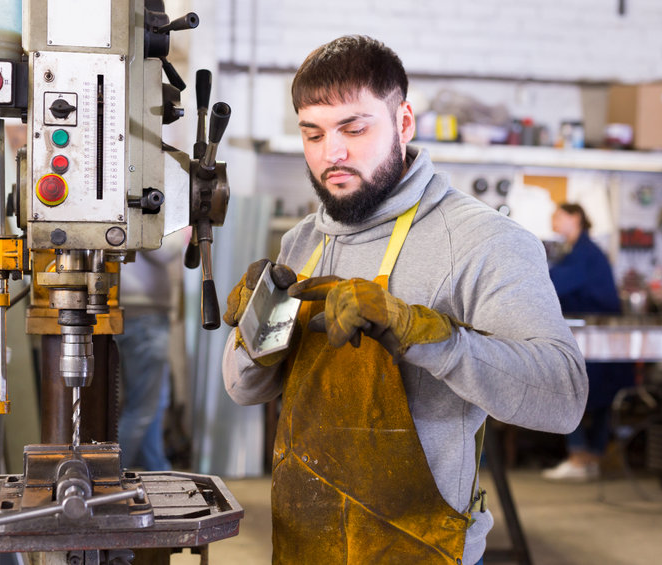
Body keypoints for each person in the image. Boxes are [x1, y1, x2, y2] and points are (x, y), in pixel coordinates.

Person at [221, 36, 588, 565]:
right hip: (305, 545)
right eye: (313, 133)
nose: (333, 153)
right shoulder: (302, 241)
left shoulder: (483, 240)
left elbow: (564, 397)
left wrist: (427, 335)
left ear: (404, 122)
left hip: (419, 550)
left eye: (354, 127)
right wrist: (257, 333)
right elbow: (242, 390)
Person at [542, 204, 634, 482]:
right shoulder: (578, 251)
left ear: (576, 218)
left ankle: (579, 457)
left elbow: (555, 283)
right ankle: (591, 457)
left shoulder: (585, 254)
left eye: (559, 215)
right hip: (595, 335)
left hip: (598, 335)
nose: (553, 220)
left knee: (570, 388)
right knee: (595, 395)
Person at [116, 231, 186, 471]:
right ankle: (105, 477)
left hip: (134, 312)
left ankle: (157, 466)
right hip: (142, 315)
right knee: (141, 408)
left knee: (154, 401)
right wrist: (183, 229)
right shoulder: (138, 201)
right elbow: (165, 250)